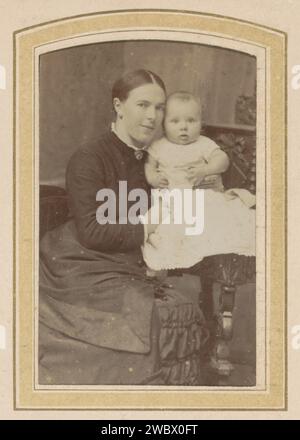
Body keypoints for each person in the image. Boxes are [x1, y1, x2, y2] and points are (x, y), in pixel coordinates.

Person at [39, 70, 209, 386]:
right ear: (119, 106)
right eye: (143, 105)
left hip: (125, 258)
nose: (152, 117)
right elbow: (91, 230)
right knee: (135, 315)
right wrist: (150, 225)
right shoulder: (89, 156)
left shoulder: (156, 157)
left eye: (159, 108)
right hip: (77, 261)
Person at [142, 91, 256, 271]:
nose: (184, 127)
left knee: (197, 219)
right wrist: (153, 177)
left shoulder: (203, 144)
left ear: (201, 124)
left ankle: (176, 245)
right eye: (175, 121)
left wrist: (206, 170)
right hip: (169, 197)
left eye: (191, 121)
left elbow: (222, 160)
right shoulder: (159, 145)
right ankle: (153, 242)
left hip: (198, 197)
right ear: (164, 125)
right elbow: (149, 165)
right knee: (153, 218)